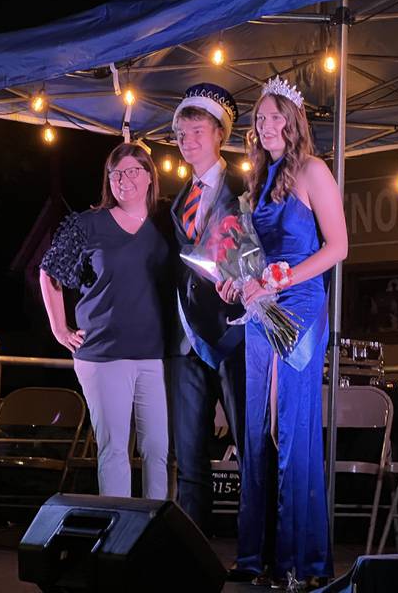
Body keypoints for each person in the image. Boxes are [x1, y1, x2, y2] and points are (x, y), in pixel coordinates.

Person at [218, 76, 348, 586]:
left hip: (299, 302)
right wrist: (238, 281)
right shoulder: (257, 181)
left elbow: (338, 247)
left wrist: (285, 275)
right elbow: (248, 253)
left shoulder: (314, 170)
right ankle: (256, 558)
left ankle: (303, 564)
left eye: (275, 116)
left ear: (294, 122)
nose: (266, 124)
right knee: (257, 431)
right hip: (261, 306)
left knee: (290, 428)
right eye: (260, 118)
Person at [38, 142, 170, 500]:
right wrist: (59, 328)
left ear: (149, 177)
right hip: (103, 354)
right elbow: (49, 273)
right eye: (116, 173)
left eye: (132, 171)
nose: (124, 180)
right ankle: (118, 535)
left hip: (154, 355)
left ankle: (155, 533)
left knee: (158, 450)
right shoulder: (88, 224)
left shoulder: (164, 224)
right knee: (114, 451)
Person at [168, 83, 246, 533]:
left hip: (234, 335)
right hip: (184, 340)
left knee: (249, 447)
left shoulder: (244, 189)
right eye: (180, 134)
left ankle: (256, 552)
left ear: (220, 134)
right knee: (190, 452)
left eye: (197, 131)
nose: (187, 141)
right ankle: (189, 552)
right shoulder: (177, 200)